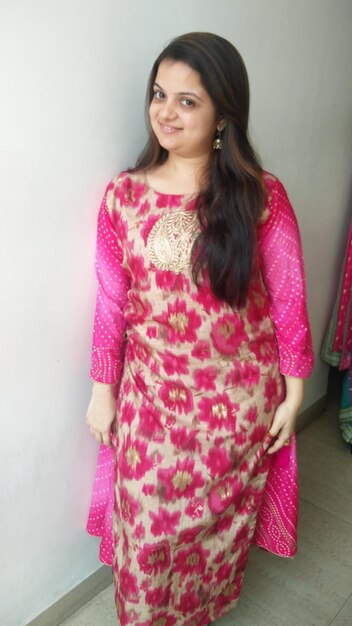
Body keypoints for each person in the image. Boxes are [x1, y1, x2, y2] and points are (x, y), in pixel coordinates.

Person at [85, 32, 314, 625]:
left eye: (188, 100)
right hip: (150, 404)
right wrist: (102, 390)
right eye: (160, 95)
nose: (165, 111)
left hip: (234, 411)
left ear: (222, 115)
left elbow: (288, 302)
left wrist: (294, 395)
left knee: (214, 539)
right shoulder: (123, 198)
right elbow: (112, 305)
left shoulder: (258, 198)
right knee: (145, 531)